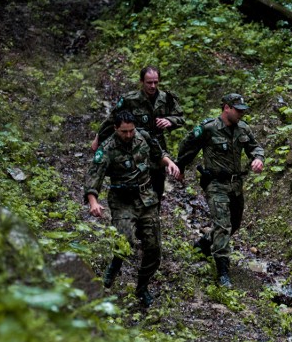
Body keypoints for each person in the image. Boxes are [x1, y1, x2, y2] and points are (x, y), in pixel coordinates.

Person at [85, 111, 181, 307]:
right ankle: (114, 266)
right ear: (115, 129)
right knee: (125, 241)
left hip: (146, 199)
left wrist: (170, 163)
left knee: (153, 248)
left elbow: (158, 154)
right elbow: (94, 176)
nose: (128, 135)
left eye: (131, 131)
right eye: (124, 131)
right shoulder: (107, 148)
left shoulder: (143, 137)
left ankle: (142, 286)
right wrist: (93, 201)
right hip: (122, 200)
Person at [176, 92, 265, 287]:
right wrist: (180, 167)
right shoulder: (209, 128)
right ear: (226, 108)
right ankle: (223, 272)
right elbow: (188, 146)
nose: (241, 114)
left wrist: (258, 158)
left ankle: (205, 243)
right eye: (237, 110)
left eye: (243, 110)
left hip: (235, 185)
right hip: (215, 184)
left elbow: (255, 148)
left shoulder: (243, 129)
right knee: (223, 226)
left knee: (234, 223)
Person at [92, 65, 185, 200]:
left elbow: (181, 117)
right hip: (135, 147)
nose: (153, 86)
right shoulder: (130, 99)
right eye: (149, 82)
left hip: (157, 148)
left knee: (157, 185)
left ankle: (153, 216)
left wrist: (170, 121)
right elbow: (112, 120)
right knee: (135, 181)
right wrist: (98, 138)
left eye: (156, 82)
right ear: (141, 82)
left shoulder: (166, 99)